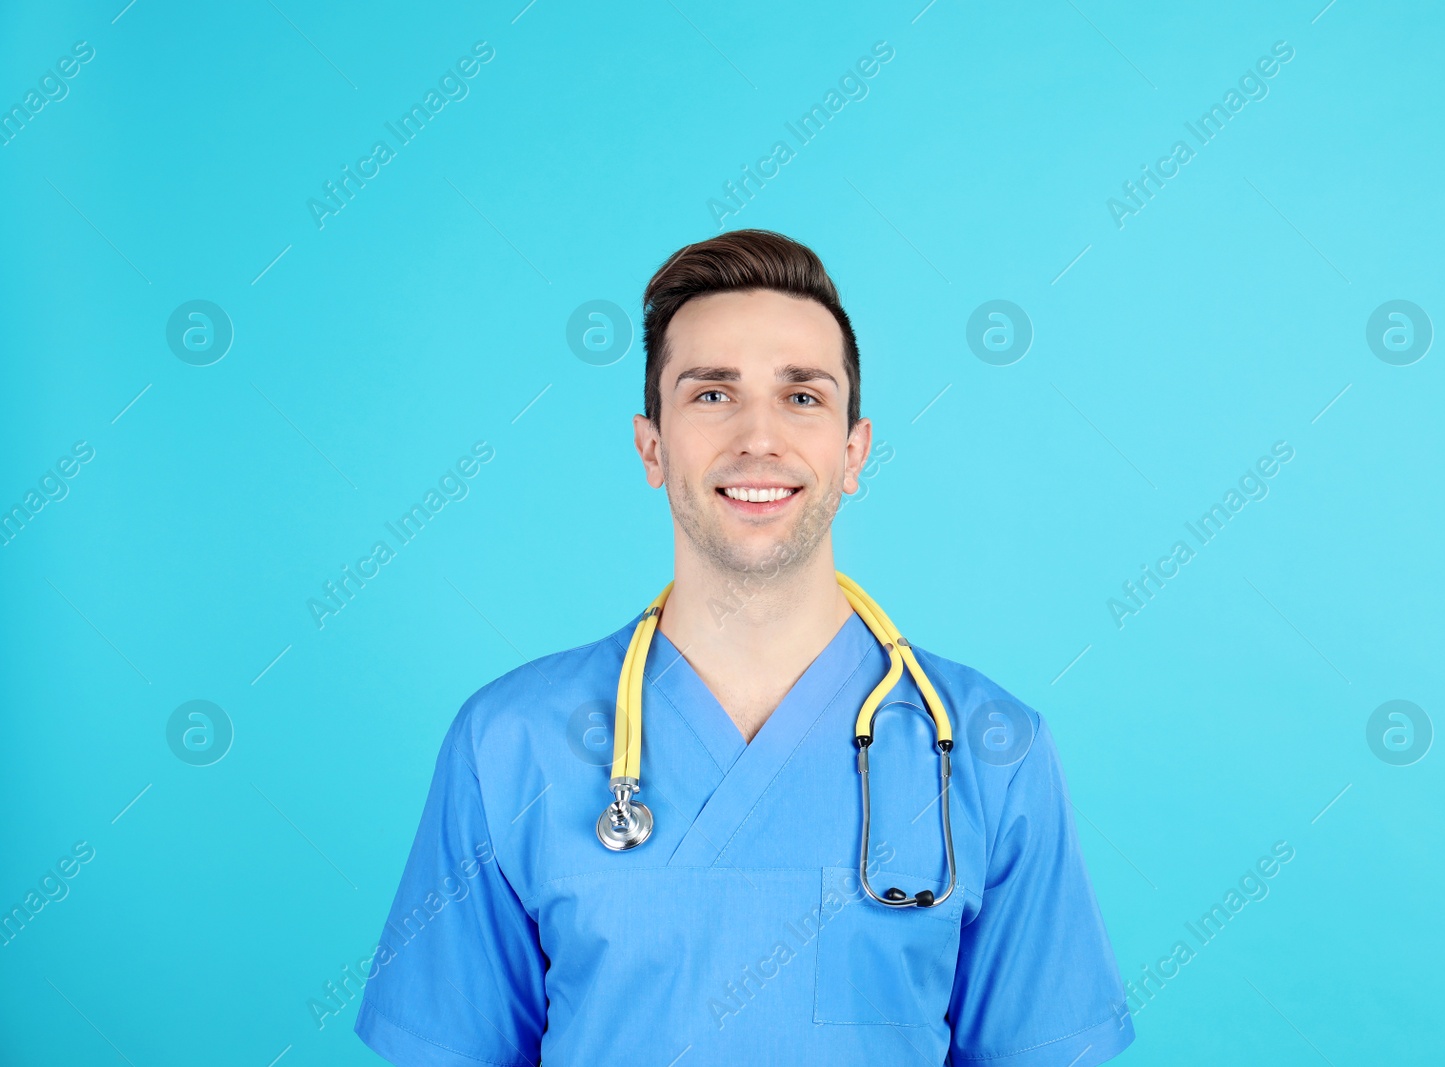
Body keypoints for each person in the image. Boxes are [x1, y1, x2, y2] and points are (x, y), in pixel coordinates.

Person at [354, 230, 1134, 1066]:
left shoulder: (990, 750)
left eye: (802, 397)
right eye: (712, 394)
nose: (758, 437)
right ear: (652, 446)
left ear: (853, 450)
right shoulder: (509, 743)